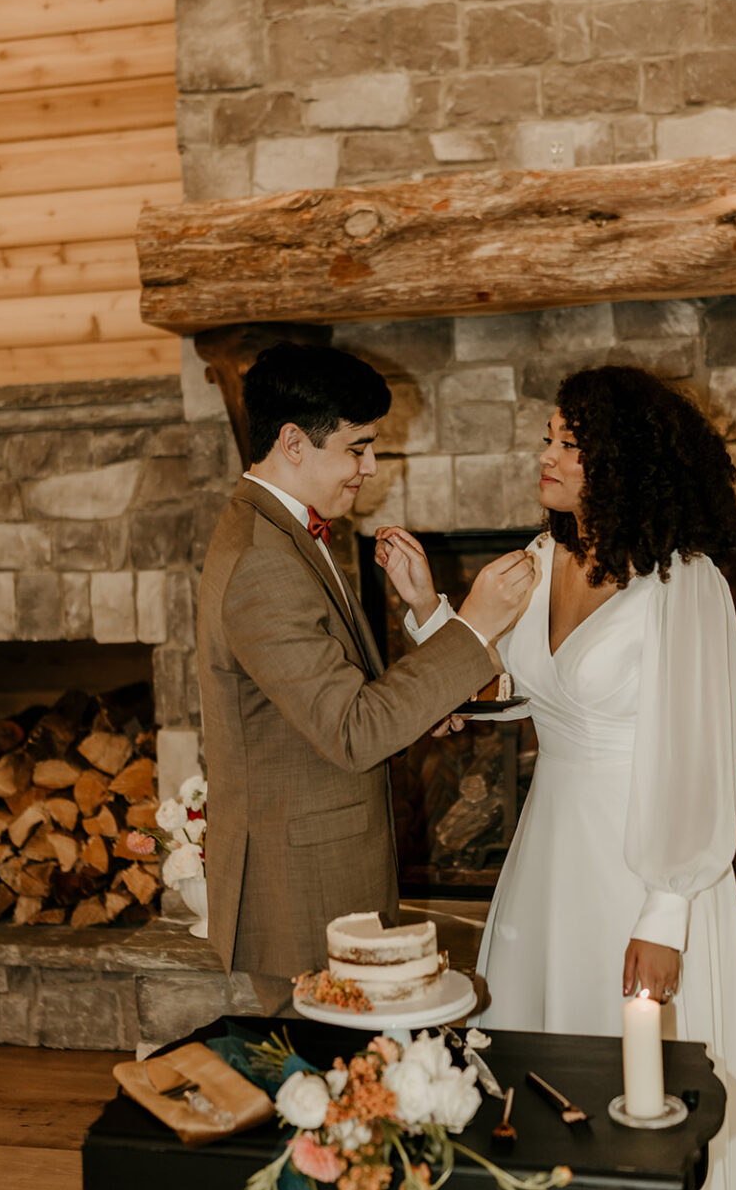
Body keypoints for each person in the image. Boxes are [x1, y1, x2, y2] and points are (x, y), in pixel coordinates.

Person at [377, 365, 736, 1190]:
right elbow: (510, 694)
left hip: (646, 864)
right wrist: (425, 609)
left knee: (638, 1097)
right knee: (535, 1074)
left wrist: (663, 913)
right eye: (547, 438)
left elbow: (707, 753)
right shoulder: (538, 558)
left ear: (622, 459)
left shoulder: (684, 579)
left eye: (568, 442)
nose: (545, 455)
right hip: (547, 858)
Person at [197, 340, 534, 1014]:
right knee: (331, 1097)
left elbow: (331, 698)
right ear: (293, 442)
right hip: (302, 892)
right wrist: (472, 627)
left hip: (323, 869)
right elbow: (352, 731)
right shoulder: (262, 560)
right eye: (357, 448)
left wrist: (423, 654)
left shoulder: (288, 533)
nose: (370, 467)